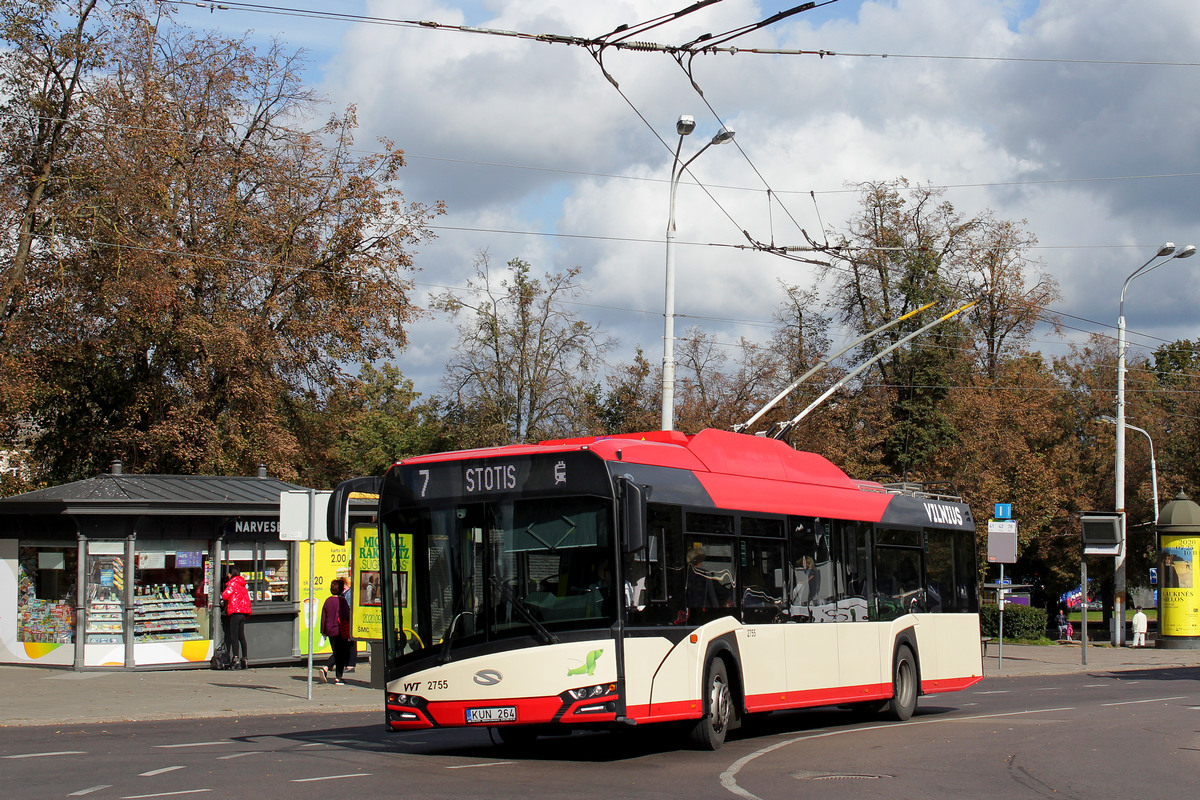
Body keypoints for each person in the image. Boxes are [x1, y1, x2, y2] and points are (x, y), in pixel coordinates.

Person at [220, 567, 252, 669]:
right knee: (241, 636)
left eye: (228, 574)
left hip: (234, 612)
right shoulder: (243, 584)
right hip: (243, 613)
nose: (228, 576)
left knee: (233, 636)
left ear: (231, 574)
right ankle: (245, 658)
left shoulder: (232, 583)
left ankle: (235, 658)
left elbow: (225, 595)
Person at [320, 578, 350, 685]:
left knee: (336, 652)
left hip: (330, 630)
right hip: (340, 630)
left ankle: (327, 669)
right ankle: (336, 675)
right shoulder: (342, 601)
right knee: (341, 653)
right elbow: (346, 615)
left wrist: (323, 631)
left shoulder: (328, 601)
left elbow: (324, 616)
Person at [341, 574, 358, 672]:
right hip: (347, 621)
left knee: (351, 642)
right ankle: (348, 664)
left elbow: (349, 608)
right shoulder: (345, 594)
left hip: (350, 621)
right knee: (347, 643)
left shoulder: (349, 594)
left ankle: (351, 665)